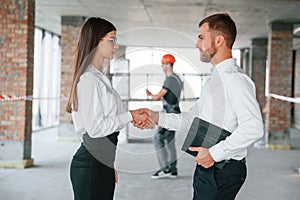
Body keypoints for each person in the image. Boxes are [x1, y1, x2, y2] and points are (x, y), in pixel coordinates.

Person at [138, 13, 264, 199]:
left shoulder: (235, 80)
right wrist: (157, 117)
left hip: (221, 169)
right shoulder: (215, 79)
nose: (197, 44)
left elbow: (253, 128)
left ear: (219, 40)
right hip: (209, 164)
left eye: (201, 37)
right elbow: (192, 119)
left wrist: (214, 154)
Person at [65, 17, 152, 200]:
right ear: (97, 41)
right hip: (90, 164)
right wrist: (129, 116)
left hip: (101, 161)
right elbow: (95, 129)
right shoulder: (89, 80)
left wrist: (108, 164)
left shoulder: (99, 78)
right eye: (112, 40)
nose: (116, 45)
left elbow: (113, 118)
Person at [146, 54, 183, 179]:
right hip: (176, 112)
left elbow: (158, 96)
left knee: (158, 139)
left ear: (168, 64)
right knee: (169, 141)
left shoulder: (170, 79)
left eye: (163, 64)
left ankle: (165, 168)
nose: (162, 66)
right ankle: (173, 170)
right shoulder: (178, 78)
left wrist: (150, 94)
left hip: (170, 114)